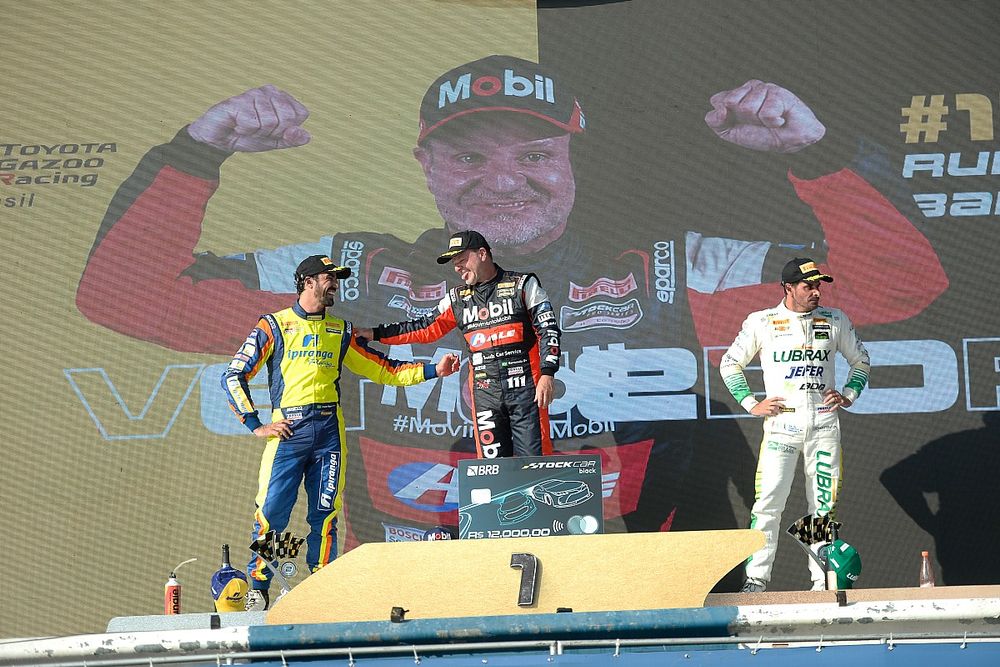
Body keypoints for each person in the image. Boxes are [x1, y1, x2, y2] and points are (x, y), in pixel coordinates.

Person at [76, 55, 945, 537]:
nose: (504, 181)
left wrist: (821, 155)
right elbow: (128, 294)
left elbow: (897, 285)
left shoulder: (678, 272)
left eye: (533, 154)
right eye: (469, 156)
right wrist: (195, 152)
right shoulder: (348, 275)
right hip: (406, 609)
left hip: (638, 607)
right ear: (425, 167)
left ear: (572, 162)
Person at [222, 254, 460, 610]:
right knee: (273, 514)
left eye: (338, 277)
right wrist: (256, 424)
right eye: (328, 277)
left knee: (325, 513)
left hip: (329, 431)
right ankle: (260, 586)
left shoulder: (341, 329)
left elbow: (384, 369)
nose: (335, 283)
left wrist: (432, 371)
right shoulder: (274, 325)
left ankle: (322, 587)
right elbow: (233, 375)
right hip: (288, 430)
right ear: (306, 281)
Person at [719, 258, 871, 593]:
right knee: (768, 504)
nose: (816, 292)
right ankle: (756, 581)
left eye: (819, 286)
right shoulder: (762, 321)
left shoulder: (834, 319)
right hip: (781, 428)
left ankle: (822, 582)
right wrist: (750, 403)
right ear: (788, 288)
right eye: (809, 286)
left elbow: (860, 360)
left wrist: (849, 394)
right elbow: (730, 363)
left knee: (822, 506)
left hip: (824, 427)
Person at [357, 229, 560, 458]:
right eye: (454, 263)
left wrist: (547, 373)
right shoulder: (457, 299)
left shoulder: (523, 285)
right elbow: (424, 328)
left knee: (535, 463)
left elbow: (548, 329)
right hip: (486, 395)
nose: (457, 268)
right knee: (491, 470)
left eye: (462, 260)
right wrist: (375, 333)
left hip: (527, 390)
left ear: (482, 254)